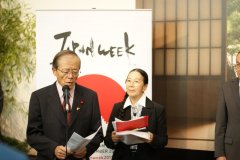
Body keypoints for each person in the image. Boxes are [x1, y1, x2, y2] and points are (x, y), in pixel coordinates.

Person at [26, 50, 103, 160]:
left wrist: (86, 150)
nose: (71, 76)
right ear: (54, 70)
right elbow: (33, 134)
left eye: (75, 71)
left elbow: (97, 132)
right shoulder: (39, 97)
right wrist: (53, 148)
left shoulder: (90, 96)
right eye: (65, 71)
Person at [104, 68, 168, 160]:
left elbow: (163, 141)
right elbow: (107, 141)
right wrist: (113, 139)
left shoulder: (157, 109)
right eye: (128, 81)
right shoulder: (117, 108)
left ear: (145, 87)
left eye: (136, 81)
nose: (131, 85)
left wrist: (152, 138)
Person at [215, 51, 240, 160]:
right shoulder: (226, 89)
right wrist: (220, 154)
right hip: (232, 152)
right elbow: (221, 124)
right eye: (239, 64)